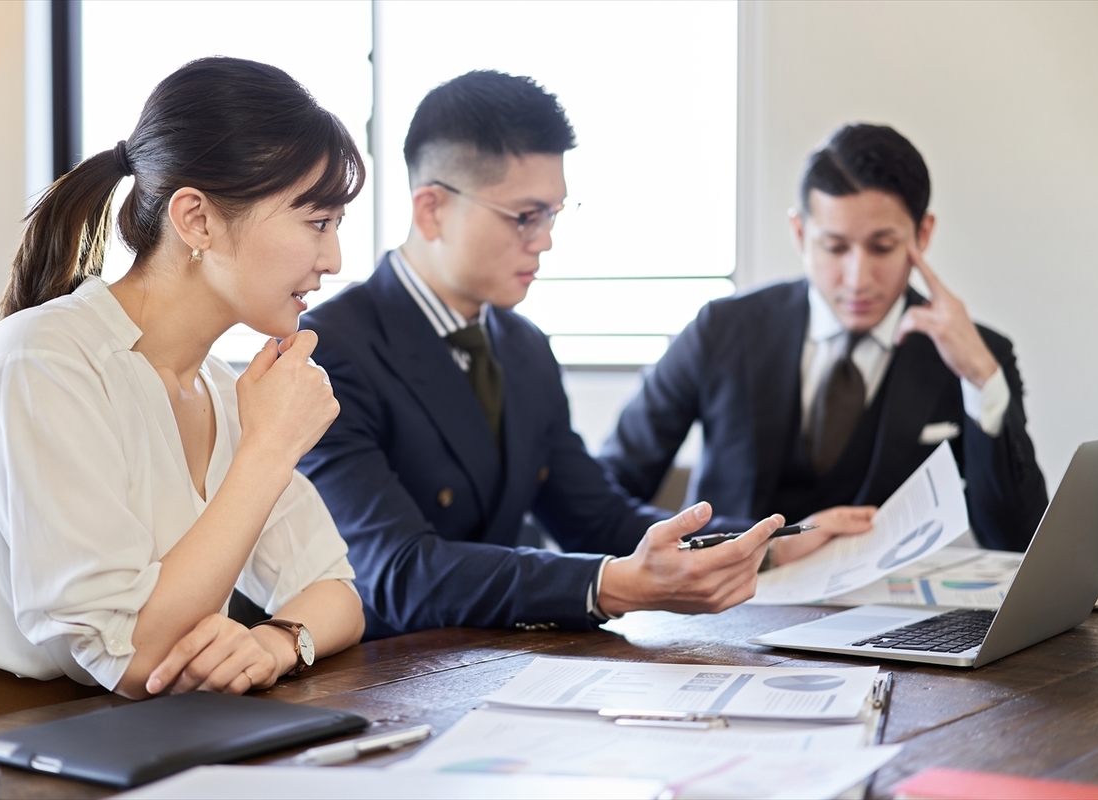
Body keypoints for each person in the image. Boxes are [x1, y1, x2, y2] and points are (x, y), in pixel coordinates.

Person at [0, 57, 366, 730]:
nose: (334, 260)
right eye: (318, 222)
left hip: (144, 734)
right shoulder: (43, 363)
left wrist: (275, 642)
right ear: (197, 220)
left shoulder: (220, 388)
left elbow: (335, 591)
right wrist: (270, 450)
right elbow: (132, 658)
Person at [296, 70, 785, 641]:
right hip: (377, 670)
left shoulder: (523, 346)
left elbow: (597, 519)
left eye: (552, 213)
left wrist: (765, 540)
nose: (545, 239)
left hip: (494, 660)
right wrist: (609, 586)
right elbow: (399, 573)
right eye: (525, 216)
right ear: (431, 210)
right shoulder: (328, 351)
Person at [601, 123, 1047, 563]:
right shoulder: (722, 329)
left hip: (885, 604)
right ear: (800, 233)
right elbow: (605, 497)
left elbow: (1017, 541)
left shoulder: (976, 355)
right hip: (727, 601)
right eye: (834, 247)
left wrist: (980, 379)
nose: (857, 279)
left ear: (922, 235)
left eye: (882, 247)